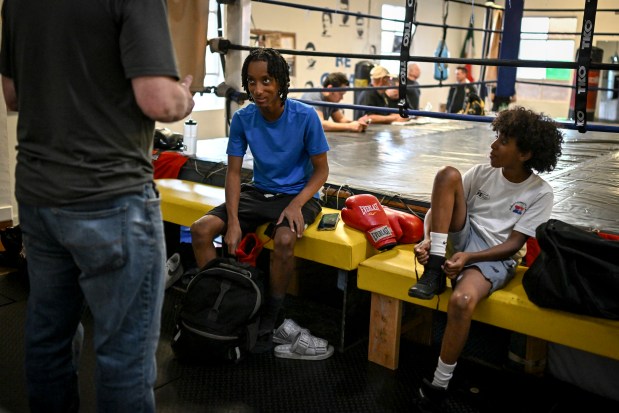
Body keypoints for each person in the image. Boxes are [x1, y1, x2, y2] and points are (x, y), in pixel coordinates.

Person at [0, 1, 195, 412]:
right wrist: (184, 97)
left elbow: (13, 94)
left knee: (48, 338)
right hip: (110, 197)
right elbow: (160, 103)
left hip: (38, 195)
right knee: (124, 355)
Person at [407, 107, 564, 411]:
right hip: (460, 240)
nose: (493, 145)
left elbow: (513, 245)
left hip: (493, 256)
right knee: (447, 174)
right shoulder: (480, 173)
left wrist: (469, 258)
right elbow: (435, 212)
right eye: (497, 137)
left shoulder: (540, 192)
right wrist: (427, 240)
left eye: (503, 141)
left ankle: (439, 384)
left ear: (526, 153)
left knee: (462, 301)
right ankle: (435, 268)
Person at [190, 48, 330, 352]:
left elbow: (322, 172)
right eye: (251, 82)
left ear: (280, 81)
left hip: (299, 194)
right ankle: (217, 300)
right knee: (200, 230)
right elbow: (233, 173)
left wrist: (295, 204)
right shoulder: (243, 118)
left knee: (283, 241)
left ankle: (272, 316)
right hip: (259, 191)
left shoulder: (305, 116)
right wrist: (234, 222)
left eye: (266, 80)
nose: (258, 89)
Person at [301, 72, 369, 132]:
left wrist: (357, 123)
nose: (342, 98)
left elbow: (341, 119)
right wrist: (350, 126)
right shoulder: (314, 96)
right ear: (330, 88)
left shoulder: (330, 99)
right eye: (340, 94)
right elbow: (320, 124)